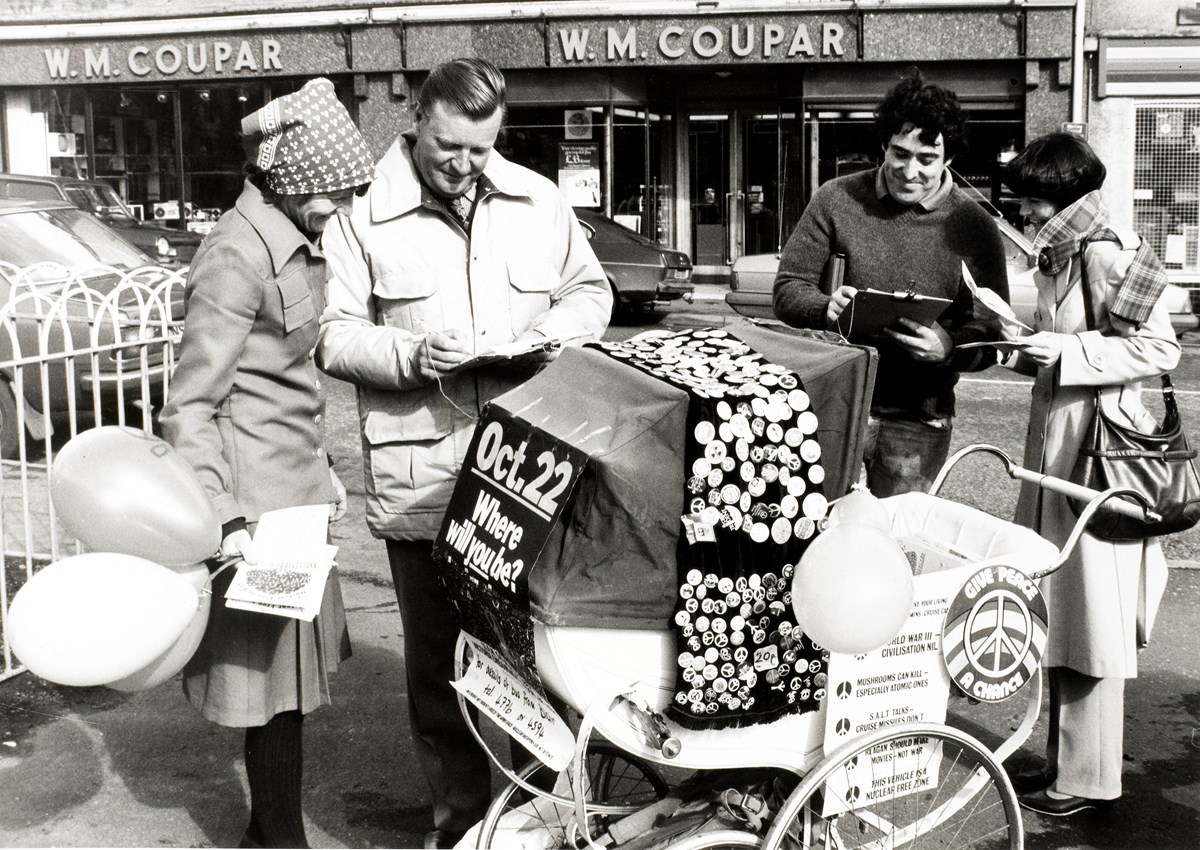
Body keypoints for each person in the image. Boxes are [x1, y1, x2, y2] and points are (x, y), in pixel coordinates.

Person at [316, 57, 611, 848]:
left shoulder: (539, 201)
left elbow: (592, 293)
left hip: (527, 477)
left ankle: (551, 823)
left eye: (482, 149)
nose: (464, 165)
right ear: (417, 118)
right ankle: (462, 828)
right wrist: (411, 357)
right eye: (448, 146)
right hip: (425, 485)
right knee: (442, 675)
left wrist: (546, 336)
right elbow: (333, 335)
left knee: (544, 663)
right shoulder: (360, 217)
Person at [160, 77, 375, 848]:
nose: (342, 211)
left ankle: (268, 832)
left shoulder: (290, 237)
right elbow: (191, 403)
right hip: (256, 517)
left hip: (294, 502)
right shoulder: (234, 254)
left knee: (289, 693)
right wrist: (223, 516)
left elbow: (283, 382)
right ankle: (280, 840)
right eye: (335, 195)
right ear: (294, 181)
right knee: (269, 693)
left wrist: (323, 469)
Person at [999, 133, 1179, 817]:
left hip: (1101, 463)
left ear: (1065, 198)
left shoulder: (1109, 252)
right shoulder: (1063, 254)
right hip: (1061, 458)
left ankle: (1090, 779)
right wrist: (1021, 344)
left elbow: (1160, 346)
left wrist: (1069, 348)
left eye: (1032, 200)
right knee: (1066, 613)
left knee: (1094, 619)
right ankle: (1064, 765)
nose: (1022, 213)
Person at [772, 69, 1009, 496]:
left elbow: (994, 331)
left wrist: (948, 346)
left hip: (919, 417)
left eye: (926, 159)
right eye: (899, 153)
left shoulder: (975, 226)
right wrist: (823, 306)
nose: (909, 170)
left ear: (949, 158)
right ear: (883, 144)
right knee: (816, 532)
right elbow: (788, 288)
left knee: (897, 543)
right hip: (834, 404)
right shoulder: (835, 198)